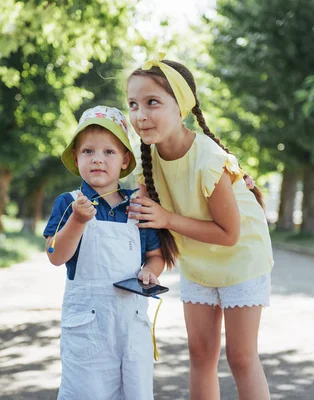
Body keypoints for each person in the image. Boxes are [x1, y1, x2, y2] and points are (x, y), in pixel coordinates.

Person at [126, 55, 273, 400]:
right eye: (133, 105)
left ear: (182, 108)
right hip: (198, 262)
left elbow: (229, 234)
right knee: (200, 355)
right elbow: (144, 223)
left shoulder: (208, 160)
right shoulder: (147, 162)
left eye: (152, 103)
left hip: (241, 258)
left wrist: (167, 219)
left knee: (240, 357)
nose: (140, 115)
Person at [43, 105, 168, 400]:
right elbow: (54, 253)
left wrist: (151, 271)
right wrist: (77, 221)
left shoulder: (137, 206)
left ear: (125, 159)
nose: (98, 159)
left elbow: (155, 255)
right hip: (88, 327)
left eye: (109, 152)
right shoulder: (69, 203)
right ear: (76, 157)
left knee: (135, 392)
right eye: (88, 151)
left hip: (131, 323)